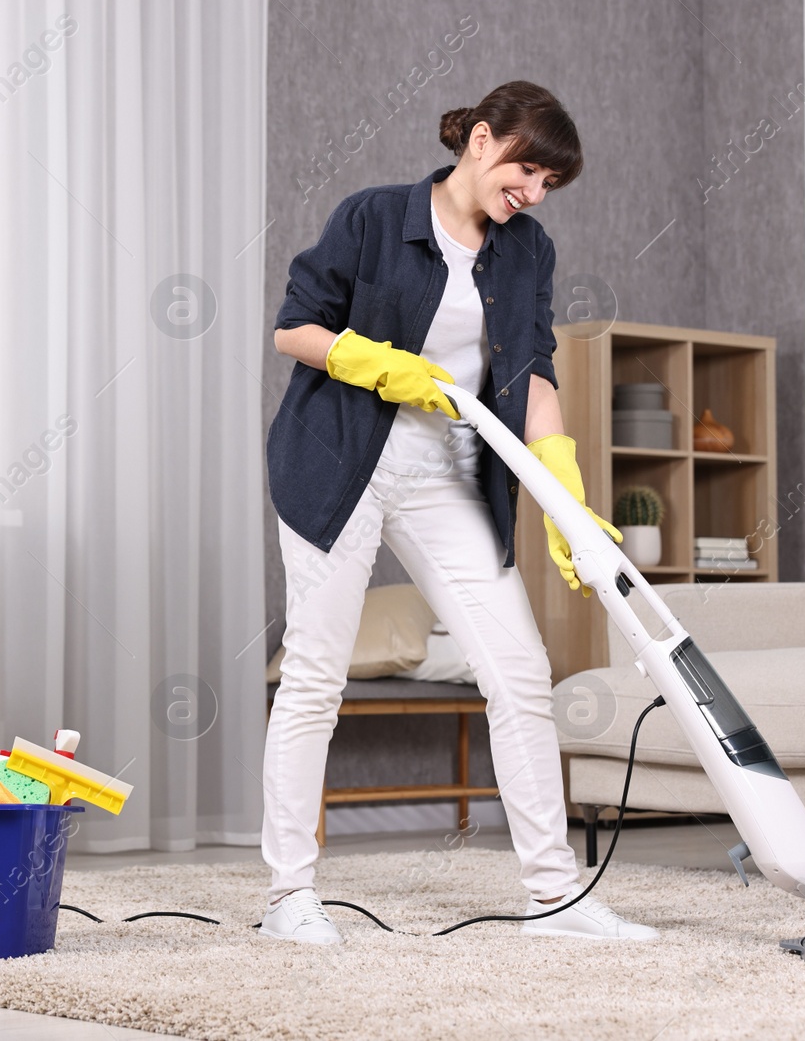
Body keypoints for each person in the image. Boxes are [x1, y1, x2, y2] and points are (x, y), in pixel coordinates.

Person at [262, 80, 657, 945]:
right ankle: (289, 894)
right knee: (316, 677)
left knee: (518, 669)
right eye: (528, 171)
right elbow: (295, 327)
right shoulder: (374, 216)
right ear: (481, 140)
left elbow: (536, 371)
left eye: (550, 185)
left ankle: (554, 895)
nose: (534, 195)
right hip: (339, 456)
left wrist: (562, 484)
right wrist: (375, 363)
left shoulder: (528, 251)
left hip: (450, 469)